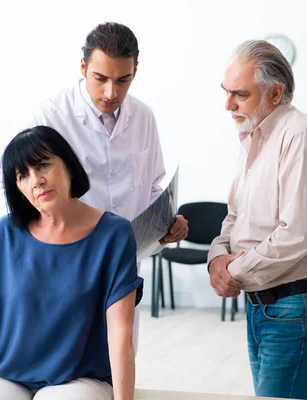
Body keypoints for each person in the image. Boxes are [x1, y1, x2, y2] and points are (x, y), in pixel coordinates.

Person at [0, 126, 142, 400]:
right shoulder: (4, 234)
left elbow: (120, 332)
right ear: (18, 188)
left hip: (80, 378)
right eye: (23, 175)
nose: (36, 180)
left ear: (68, 165)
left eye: (43, 165)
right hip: (5, 373)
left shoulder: (114, 234)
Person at [23, 21, 188, 344]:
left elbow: (152, 186)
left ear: (135, 71)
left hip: (123, 266)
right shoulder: (50, 117)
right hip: (67, 265)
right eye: (100, 79)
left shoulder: (143, 117)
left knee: (118, 361)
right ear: (83, 67)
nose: (111, 93)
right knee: (66, 364)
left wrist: (165, 224)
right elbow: (15, 190)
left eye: (123, 80)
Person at [207, 40, 307, 400]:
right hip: (264, 304)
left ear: (275, 93)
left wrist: (232, 273)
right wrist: (217, 260)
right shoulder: (252, 137)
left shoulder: (302, 136)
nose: (228, 104)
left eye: (240, 94)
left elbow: (299, 234)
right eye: (226, 92)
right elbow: (234, 217)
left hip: (297, 306)